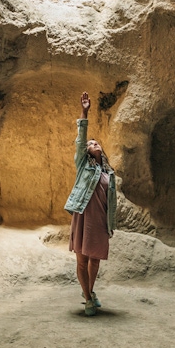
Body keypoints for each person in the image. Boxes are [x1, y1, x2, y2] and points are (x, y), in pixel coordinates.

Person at [64, 91, 117, 316]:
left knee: (94, 261)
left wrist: (110, 225)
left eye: (96, 142)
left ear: (101, 150)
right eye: (90, 143)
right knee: (81, 260)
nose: (93, 143)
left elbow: (111, 204)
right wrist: (84, 112)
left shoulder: (109, 173)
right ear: (86, 150)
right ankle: (87, 299)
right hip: (83, 215)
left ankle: (90, 292)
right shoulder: (83, 165)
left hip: (99, 221)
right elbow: (80, 139)